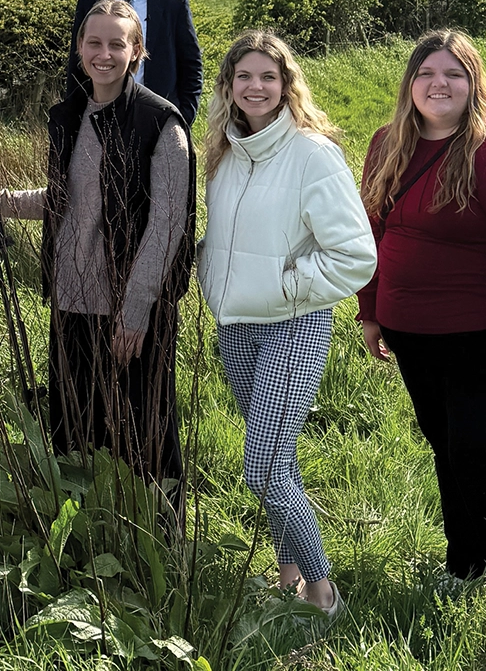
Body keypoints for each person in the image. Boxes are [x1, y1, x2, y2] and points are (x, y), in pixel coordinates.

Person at [0, 0, 194, 492]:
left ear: (137, 51)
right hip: (71, 300)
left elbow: (166, 225)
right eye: (93, 42)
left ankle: (161, 531)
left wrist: (136, 311)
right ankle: (87, 533)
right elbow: (64, 200)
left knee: (145, 432)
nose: (104, 53)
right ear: (78, 49)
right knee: (75, 429)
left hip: (130, 311)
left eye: (117, 44)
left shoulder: (161, 124)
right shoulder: (69, 115)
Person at [357, 29, 486, 583]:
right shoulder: (386, 144)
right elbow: (370, 233)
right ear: (409, 83)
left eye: (453, 74)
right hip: (412, 331)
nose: (438, 84)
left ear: (473, 84)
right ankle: (466, 564)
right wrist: (370, 311)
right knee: (447, 447)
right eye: (426, 73)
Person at [197, 30, 375, 617]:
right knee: (280, 460)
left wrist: (285, 286)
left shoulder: (311, 153)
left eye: (267, 77)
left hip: (292, 323)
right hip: (236, 326)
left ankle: (324, 592)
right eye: (243, 77)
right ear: (228, 87)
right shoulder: (222, 152)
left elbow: (355, 254)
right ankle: (288, 568)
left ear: (286, 84)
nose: (256, 87)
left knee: (261, 464)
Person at [65, 0, 203, 126]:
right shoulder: (89, 0)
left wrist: (182, 120)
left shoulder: (174, 5)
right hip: (100, 116)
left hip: (158, 119)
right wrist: (75, 116)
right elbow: (76, 63)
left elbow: (192, 68)